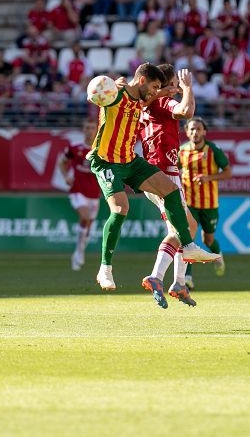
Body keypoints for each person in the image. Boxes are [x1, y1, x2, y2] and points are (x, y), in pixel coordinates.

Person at [87, 64, 219, 292]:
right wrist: (98, 91)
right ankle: (105, 268)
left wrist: (167, 90)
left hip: (130, 160)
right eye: (154, 86)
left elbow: (152, 96)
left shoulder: (141, 100)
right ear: (141, 81)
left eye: (159, 87)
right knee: (120, 209)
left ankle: (187, 247)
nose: (156, 91)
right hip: (106, 161)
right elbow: (95, 94)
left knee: (171, 191)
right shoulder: (117, 92)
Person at [138, 65, 199, 308]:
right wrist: (188, 88)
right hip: (165, 173)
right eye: (172, 83)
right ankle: (157, 276)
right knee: (181, 231)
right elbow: (187, 111)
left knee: (187, 227)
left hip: (157, 172)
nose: (174, 88)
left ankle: (179, 283)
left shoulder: (149, 104)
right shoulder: (162, 104)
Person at [179, 117, 231, 289]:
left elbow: (228, 172)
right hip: (189, 204)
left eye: (198, 129)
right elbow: (173, 170)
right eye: (192, 129)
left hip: (209, 204)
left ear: (204, 132)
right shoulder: (182, 151)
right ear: (187, 132)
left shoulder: (213, 150)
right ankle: (187, 278)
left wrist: (209, 177)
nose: (195, 132)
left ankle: (218, 255)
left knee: (208, 240)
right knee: (188, 240)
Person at [57, 120, 101, 272]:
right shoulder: (75, 148)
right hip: (77, 190)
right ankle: (79, 251)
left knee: (88, 225)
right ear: (83, 130)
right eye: (87, 128)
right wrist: (65, 177)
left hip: (94, 193)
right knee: (85, 217)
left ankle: (79, 250)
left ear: (96, 130)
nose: (89, 131)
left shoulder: (101, 149)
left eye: (92, 128)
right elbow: (62, 162)